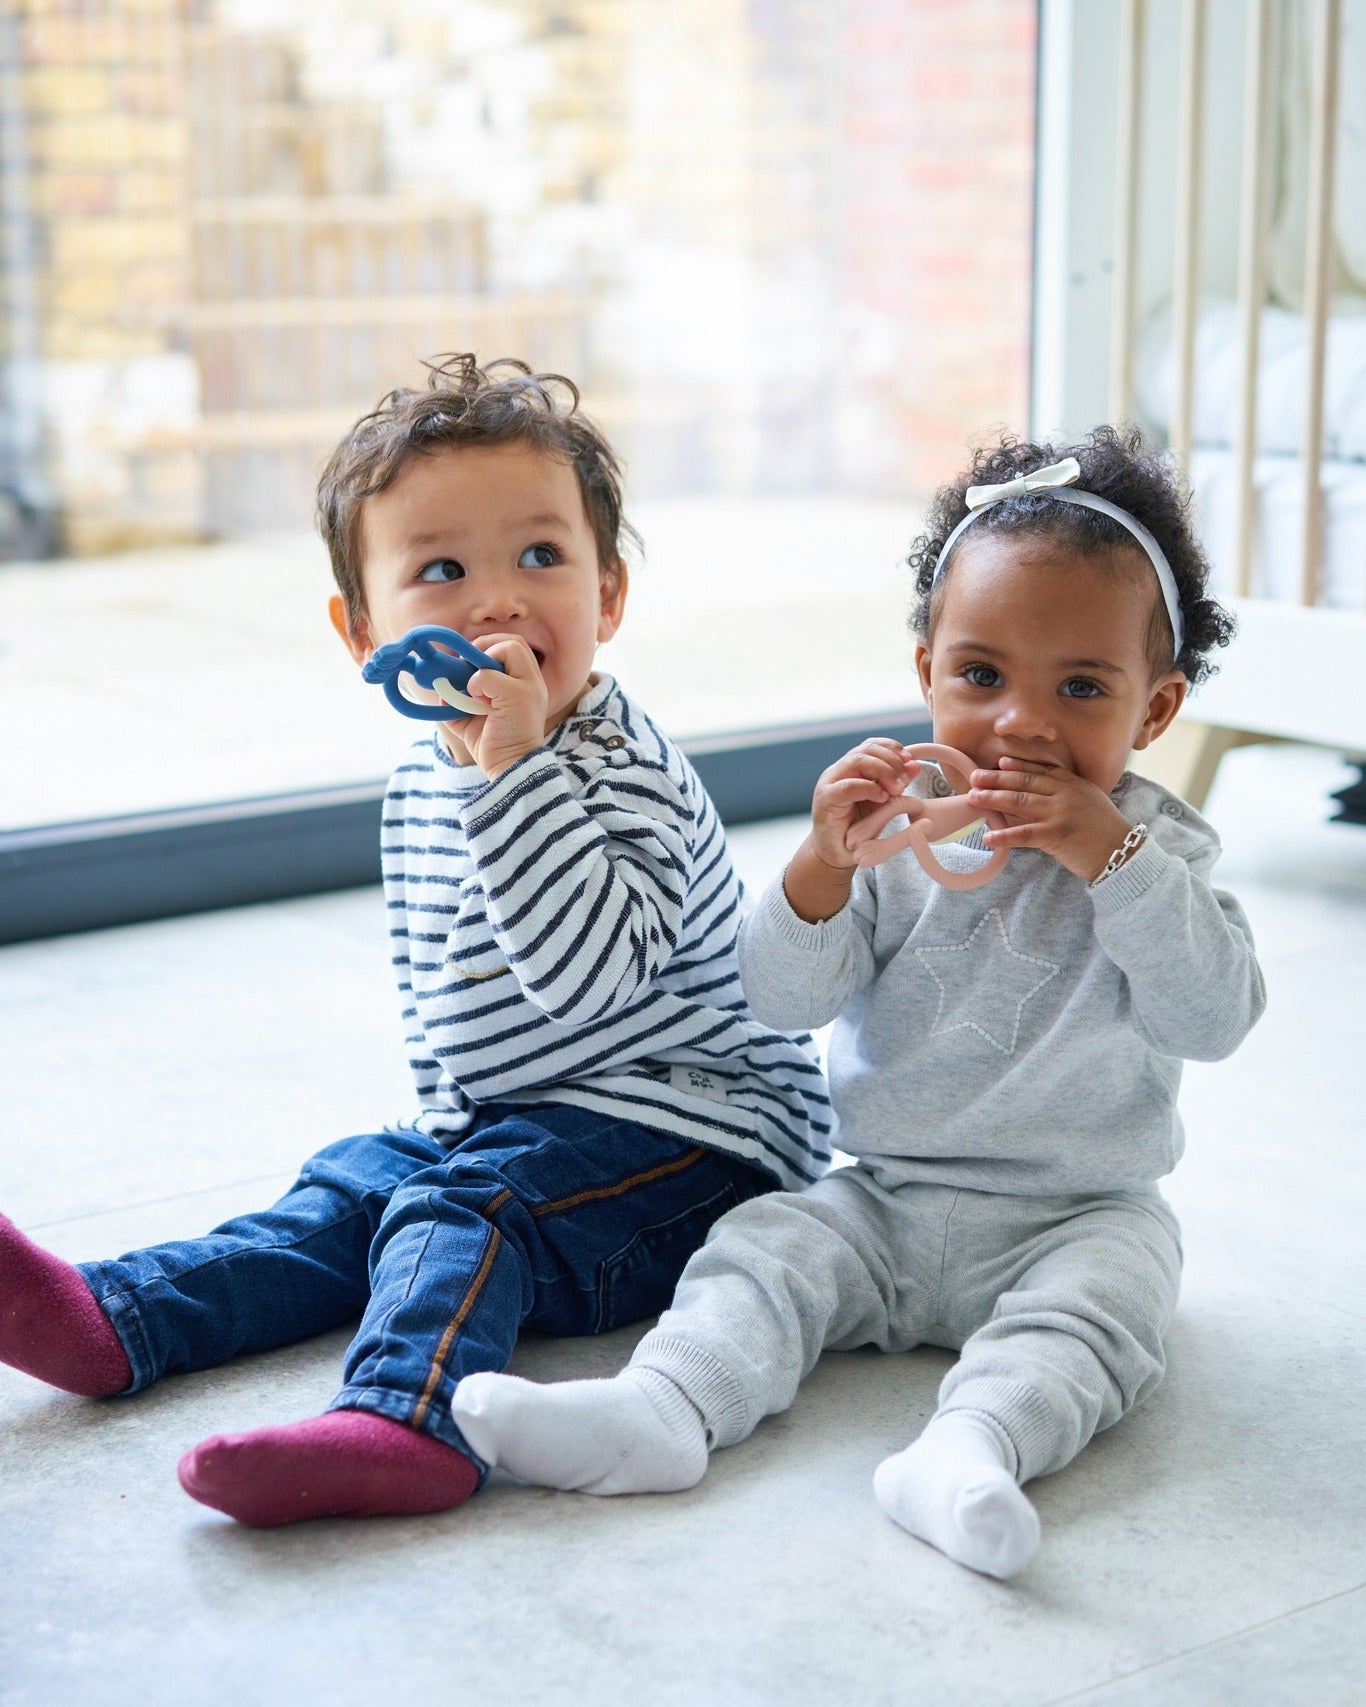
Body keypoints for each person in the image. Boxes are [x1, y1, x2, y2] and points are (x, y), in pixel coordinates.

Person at [0, 355, 830, 1527]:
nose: (496, 602)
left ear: (608, 597)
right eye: (442, 570)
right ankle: (116, 1321)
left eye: (541, 557)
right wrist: (441, 1131)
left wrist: (514, 774)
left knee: (463, 1210)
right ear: (364, 632)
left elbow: (586, 983)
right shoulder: (423, 772)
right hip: (527, 1114)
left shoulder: (616, 767)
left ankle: (409, 1418)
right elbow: (444, 990)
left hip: (700, 1139)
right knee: (356, 1187)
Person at [450, 427, 1267, 1580]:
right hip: (880, 1196)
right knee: (763, 1252)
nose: (1021, 723)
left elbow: (1214, 1019)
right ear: (928, 668)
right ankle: (661, 1411)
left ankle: (969, 1449)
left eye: (1079, 688)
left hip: (1076, 1212)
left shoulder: (1161, 854)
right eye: (981, 677)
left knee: (1106, 1313)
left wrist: (1119, 864)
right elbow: (780, 998)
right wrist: (821, 871)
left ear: (1155, 709)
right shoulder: (892, 835)